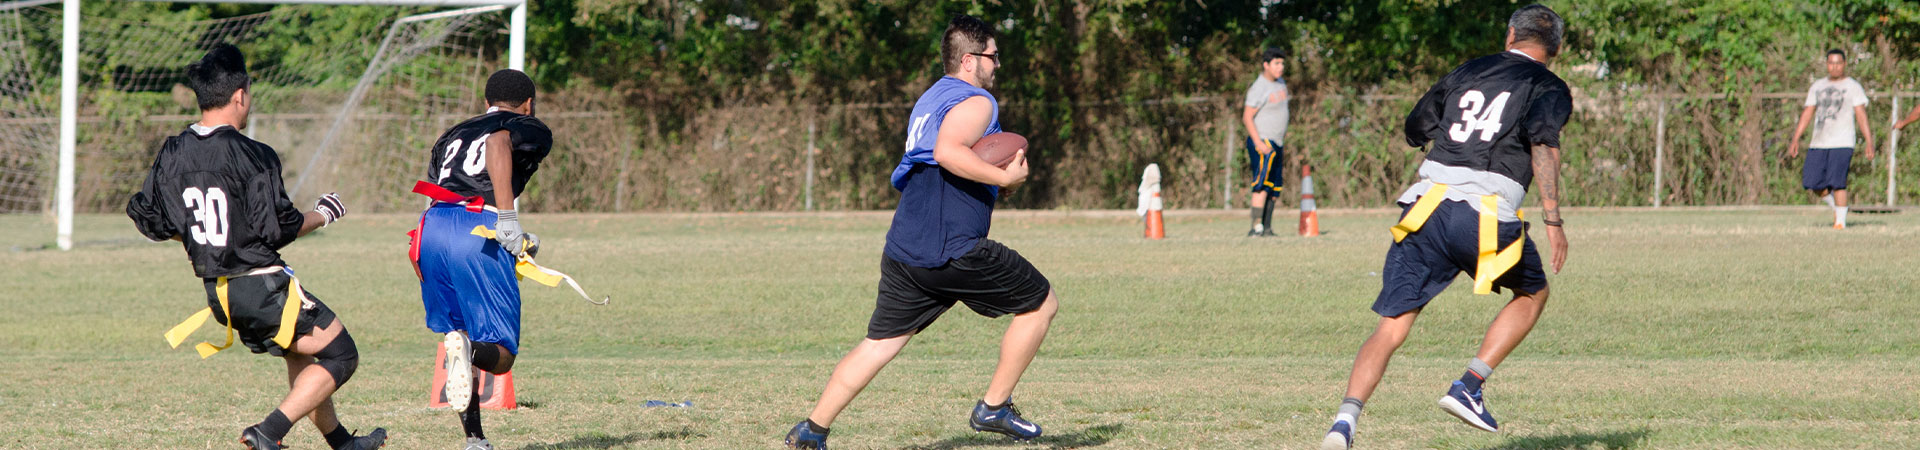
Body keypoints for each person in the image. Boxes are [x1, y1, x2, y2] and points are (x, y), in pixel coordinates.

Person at [783, 14, 1061, 449]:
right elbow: (948, 151)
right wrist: (1004, 180)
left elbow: (942, 159)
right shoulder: (978, 102)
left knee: (880, 344)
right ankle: (994, 407)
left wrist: (988, 180)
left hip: (906, 246)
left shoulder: (931, 97)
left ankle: (810, 431)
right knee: (1041, 303)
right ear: (970, 61)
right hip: (952, 248)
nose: (998, 64)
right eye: (993, 55)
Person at [1318, 5, 1571, 449]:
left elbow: (1417, 126)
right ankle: (1469, 386)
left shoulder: (1469, 69)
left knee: (1391, 326)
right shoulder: (1549, 85)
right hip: (1485, 214)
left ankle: (1343, 423)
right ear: (1556, 48)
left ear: (1510, 33)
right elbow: (1542, 145)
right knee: (1533, 292)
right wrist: (1553, 219)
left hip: (1425, 209)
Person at [127, 43, 385, 450]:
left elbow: (148, 217)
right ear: (240, 95)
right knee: (342, 355)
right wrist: (325, 213)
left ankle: (341, 443)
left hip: (219, 291)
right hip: (260, 287)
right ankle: (268, 432)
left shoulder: (172, 151)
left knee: (298, 351)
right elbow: (279, 228)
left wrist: (196, 238)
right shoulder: (253, 154)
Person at [410, 69, 553, 450]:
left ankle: (475, 439)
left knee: (457, 337)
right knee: (500, 355)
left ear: (484, 102)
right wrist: (507, 220)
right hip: (478, 227)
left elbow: (442, 183)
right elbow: (498, 143)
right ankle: (474, 426)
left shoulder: (453, 131)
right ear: (529, 103)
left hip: (431, 226)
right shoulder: (524, 124)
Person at [1786, 49, 1875, 229]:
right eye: (1831, 63)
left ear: (1844, 64)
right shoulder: (1817, 86)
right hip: (1819, 142)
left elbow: (1861, 115)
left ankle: (1840, 223)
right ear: (1826, 64)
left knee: (1837, 182)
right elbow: (1807, 113)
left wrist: (1869, 141)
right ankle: (1838, 207)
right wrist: (1795, 138)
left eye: (1838, 63)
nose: (1834, 67)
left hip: (1842, 142)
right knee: (1811, 181)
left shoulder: (1852, 86)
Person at [1242, 48, 1291, 236]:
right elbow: (1247, 116)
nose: (1281, 67)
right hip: (1264, 141)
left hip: (1277, 142)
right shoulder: (1259, 87)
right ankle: (1256, 227)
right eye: (1276, 63)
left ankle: (1267, 227)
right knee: (1261, 184)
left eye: (1282, 63)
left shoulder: (1280, 84)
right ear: (1266, 65)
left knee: (1274, 186)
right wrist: (1258, 142)